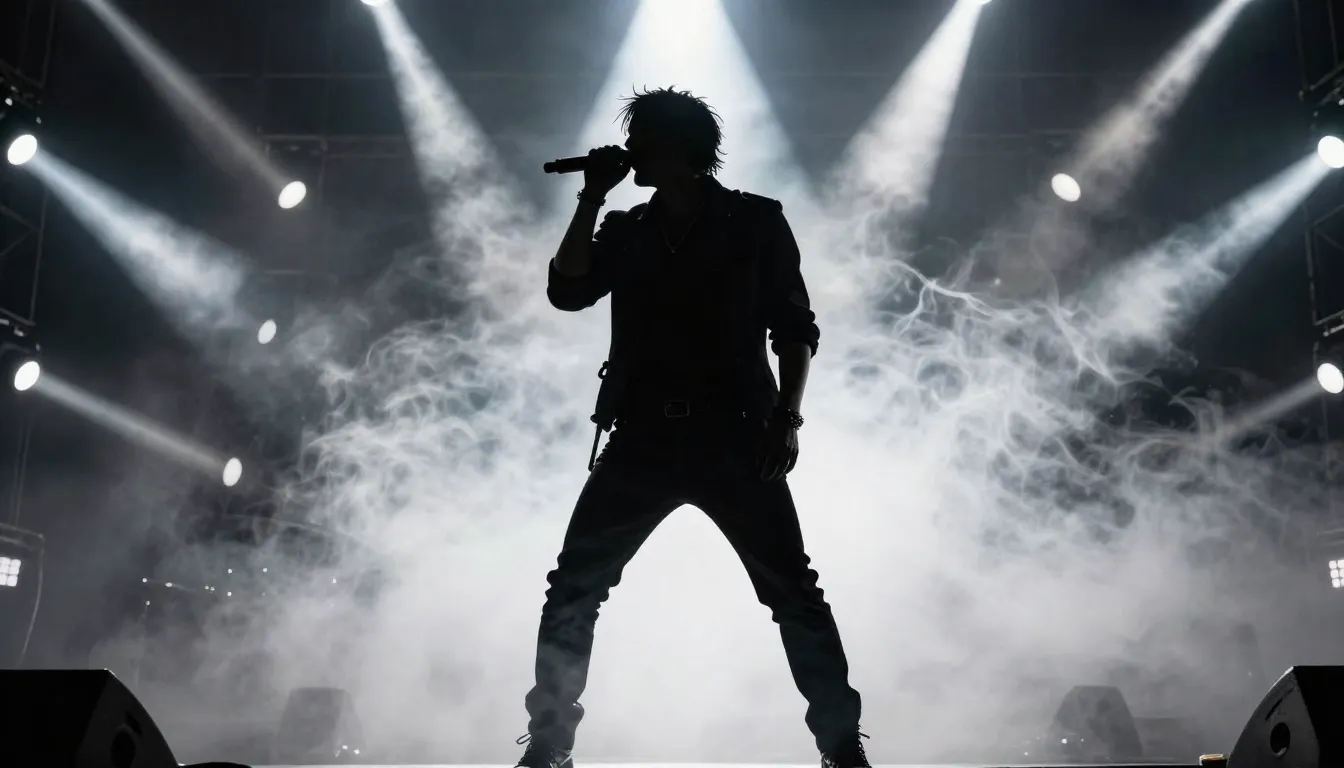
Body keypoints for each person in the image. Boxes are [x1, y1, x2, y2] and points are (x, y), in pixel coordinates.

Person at [517, 87, 867, 768]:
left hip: (735, 435)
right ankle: (550, 745)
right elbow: (567, 291)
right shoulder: (626, 227)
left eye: (640, 140)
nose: (630, 152)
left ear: (675, 146)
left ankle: (841, 746)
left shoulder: (755, 221)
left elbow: (795, 328)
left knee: (793, 592)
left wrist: (787, 417)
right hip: (642, 437)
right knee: (574, 587)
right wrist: (590, 198)